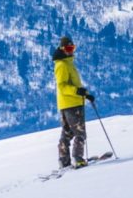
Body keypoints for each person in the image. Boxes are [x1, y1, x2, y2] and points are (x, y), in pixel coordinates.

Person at [52, 34, 97, 168]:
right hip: (72, 104)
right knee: (80, 133)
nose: (71, 50)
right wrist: (78, 92)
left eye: (73, 48)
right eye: (68, 48)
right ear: (62, 48)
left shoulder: (67, 63)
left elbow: (75, 85)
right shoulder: (62, 65)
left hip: (67, 103)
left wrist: (86, 94)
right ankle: (78, 159)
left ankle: (64, 160)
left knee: (67, 133)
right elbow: (62, 86)